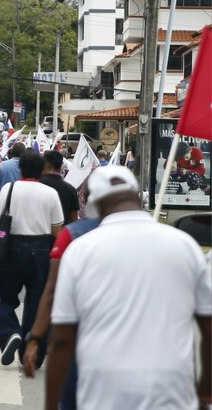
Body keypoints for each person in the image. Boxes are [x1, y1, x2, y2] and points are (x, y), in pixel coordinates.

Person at [46, 165, 211, 410]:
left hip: (104, 395)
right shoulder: (185, 246)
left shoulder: (80, 251)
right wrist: (205, 391)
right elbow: (207, 327)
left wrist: (50, 405)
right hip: (172, 394)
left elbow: (62, 338)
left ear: (94, 205)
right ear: (138, 198)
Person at [0, 150, 63, 367]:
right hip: (40, 249)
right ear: (41, 170)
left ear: (20, 169)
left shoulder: (9, 189)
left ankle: (9, 333)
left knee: (1, 296)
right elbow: (57, 229)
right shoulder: (50, 193)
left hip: (13, 248)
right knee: (37, 301)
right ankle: (32, 353)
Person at [22, 211, 99, 409]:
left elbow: (53, 291)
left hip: (80, 339)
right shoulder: (160, 240)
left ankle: (9, 334)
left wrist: (35, 339)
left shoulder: (73, 234)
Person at [0, 141, 26, 235]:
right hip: (23, 201)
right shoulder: (27, 167)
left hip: (4, 200)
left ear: (12, 152)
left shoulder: (3, 165)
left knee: (0, 223)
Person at [41, 150, 79, 225]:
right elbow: (74, 221)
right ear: (61, 166)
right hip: (62, 230)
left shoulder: (36, 185)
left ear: (43, 164)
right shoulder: (71, 190)